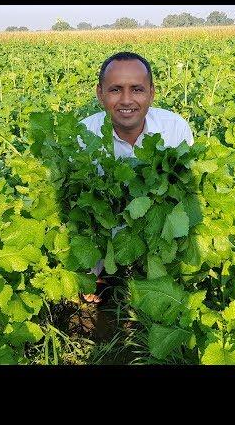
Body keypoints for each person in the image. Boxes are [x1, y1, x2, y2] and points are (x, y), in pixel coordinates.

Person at [78, 51, 194, 303]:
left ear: (152, 93)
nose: (126, 100)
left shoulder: (174, 128)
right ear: (100, 93)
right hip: (104, 231)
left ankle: (153, 274)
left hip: (154, 230)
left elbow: (187, 191)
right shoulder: (83, 134)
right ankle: (95, 275)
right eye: (116, 90)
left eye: (137, 90)